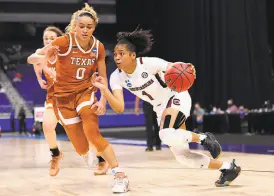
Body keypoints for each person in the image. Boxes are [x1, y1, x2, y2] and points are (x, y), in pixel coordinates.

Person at [92, 28, 241, 187]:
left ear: (132, 55)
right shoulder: (116, 77)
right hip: (159, 108)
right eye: (115, 54)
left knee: (165, 133)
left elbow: (177, 68)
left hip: (176, 96)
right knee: (183, 157)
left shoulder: (150, 63)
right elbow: (120, 108)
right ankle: (228, 168)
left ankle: (204, 138)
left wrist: (188, 68)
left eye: (121, 53)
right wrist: (104, 90)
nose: (117, 57)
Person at [27, 4, 128, 193]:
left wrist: (103, 100)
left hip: (85, 94)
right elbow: (31, 59)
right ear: (75, 26)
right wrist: (45, 57)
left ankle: (119, 174)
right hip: (63, 99)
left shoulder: (98, 47)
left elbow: (103, 76)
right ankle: (84, 154)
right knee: (82, 148)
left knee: (93, 134)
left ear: (94, 28)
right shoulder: (63, 42)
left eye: (89, 27)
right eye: (81, 26)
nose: (85, 30)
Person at [28, 26, 108, 177]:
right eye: (46, 38)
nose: (49, 41)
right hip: (53, 97)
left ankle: (101, 159)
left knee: (86, 132)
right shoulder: (43, 51)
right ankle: (55, 155)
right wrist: (39, 77)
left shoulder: (66, 51)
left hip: (73, 96)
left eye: (52, 38)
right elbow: (32, 60)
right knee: (46, 125)